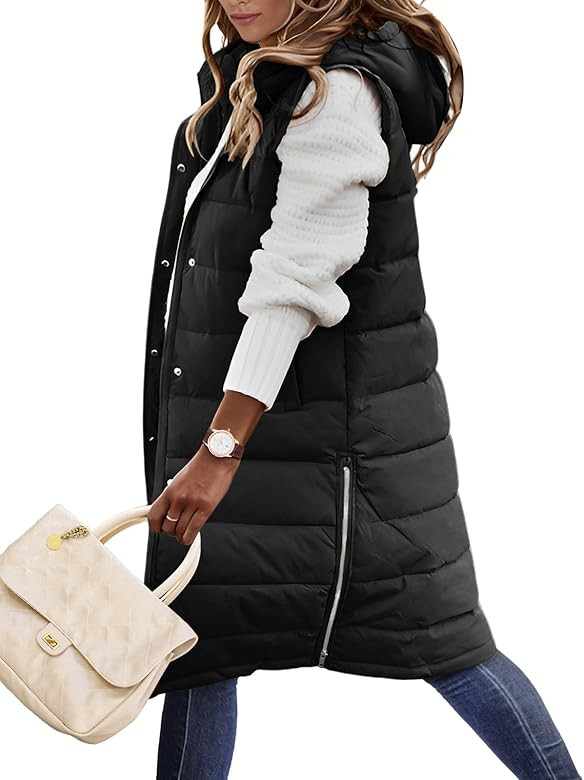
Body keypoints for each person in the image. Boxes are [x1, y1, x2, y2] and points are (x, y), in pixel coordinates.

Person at [140, 1, 581, 778]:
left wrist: (219, 447)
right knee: (200, 646)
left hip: (345, 455)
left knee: (443, 640)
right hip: (263, 436)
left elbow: (296, 278)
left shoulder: (337, 94)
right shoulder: (260, 79)